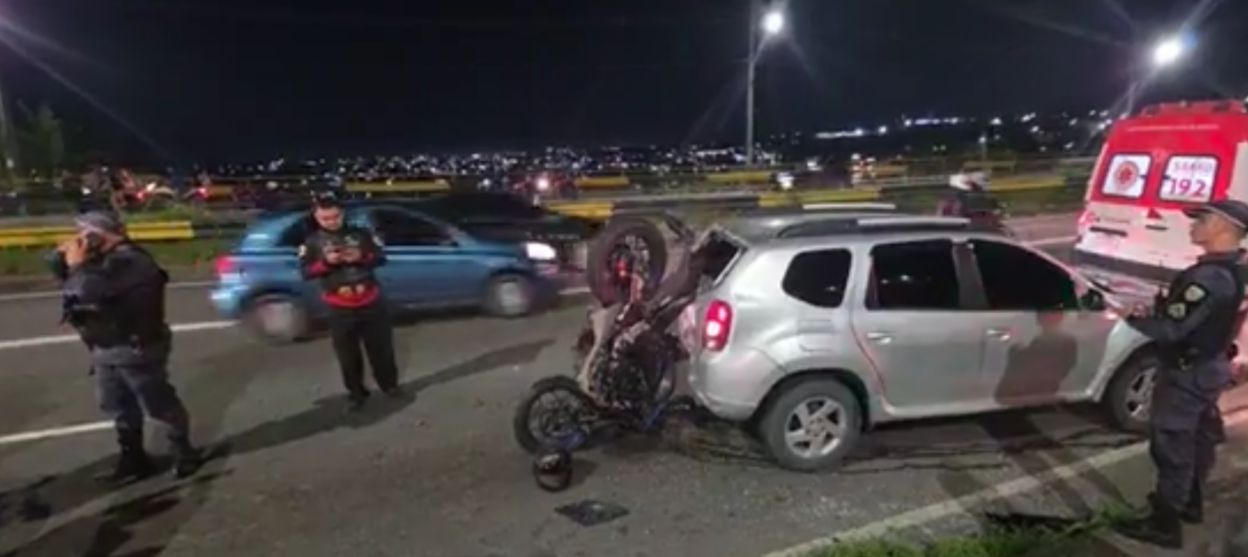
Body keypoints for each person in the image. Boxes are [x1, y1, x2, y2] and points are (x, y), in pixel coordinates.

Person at [1112, 199, 1248, 549]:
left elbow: (1171, 331)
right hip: (1208, 366)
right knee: (1201, 438)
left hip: (1187, 373)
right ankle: (1190, 503)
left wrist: (1133, 316)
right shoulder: (1235, 268)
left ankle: (1165, 525)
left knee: (1173, 445)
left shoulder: (1208, 277)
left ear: (1221, 226)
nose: (1193, 224)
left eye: (1201, 219)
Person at [52, 211, 202, 482]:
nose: (79, 240)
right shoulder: (100, 262)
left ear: (100, 234)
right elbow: (71, 290)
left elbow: (89, 291)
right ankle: (133, 458)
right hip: (105, 347)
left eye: (84, 233)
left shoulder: (133, 262)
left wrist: (77, 266)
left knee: (158, 404)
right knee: (116, 405)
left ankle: (183, 451)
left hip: (137, 348)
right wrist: (62, 262)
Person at [298, 191, 403, 412]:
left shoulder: (361, 234)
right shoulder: (312, 242)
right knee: (348, 355)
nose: (331, 222)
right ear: (316, 217)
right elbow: (306, 272)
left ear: (342, 214)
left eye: (335, 216)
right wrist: (326, 263)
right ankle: (356, 393)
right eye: (325, 218)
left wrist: (361, 257)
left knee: (381, 350)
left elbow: (381, 257)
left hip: (371, 300)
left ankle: (390, 386)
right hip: (339, 306)